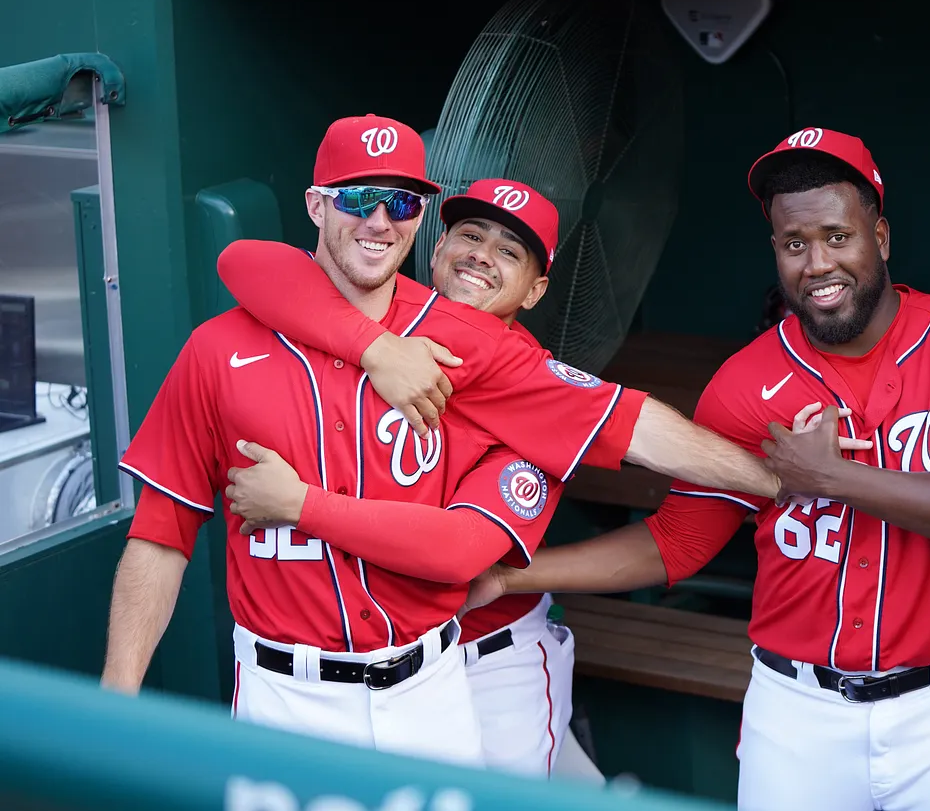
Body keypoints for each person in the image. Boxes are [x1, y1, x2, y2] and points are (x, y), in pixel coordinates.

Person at [99, 114, 798, 765]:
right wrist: (116, 695)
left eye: (400, 204)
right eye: (359, 198)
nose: (378, 220)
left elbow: (632, 425)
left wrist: (785, 479)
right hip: (286, 691)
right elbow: (162, 529)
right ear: (315, 206)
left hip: (430, 684)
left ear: (417, 222)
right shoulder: (219, 348)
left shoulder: (475, 346)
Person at [463, 127, 930, 811]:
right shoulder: (746, 382)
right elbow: (677, 542)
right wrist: (514, 574)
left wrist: (835, 478)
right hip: (798, 714)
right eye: (794, 244)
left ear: (882, 238)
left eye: (838, 237)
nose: (817, 263)